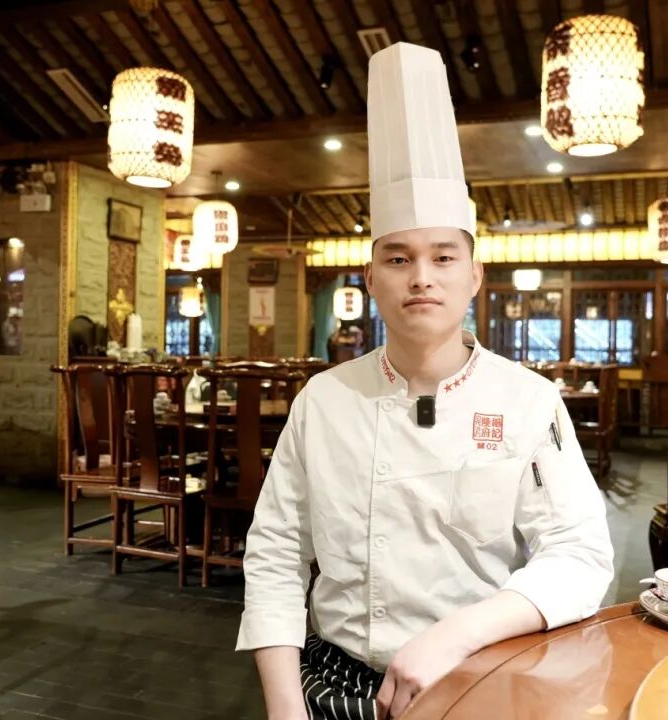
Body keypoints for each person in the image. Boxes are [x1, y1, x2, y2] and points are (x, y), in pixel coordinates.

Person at [237, 42, 613, 720]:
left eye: (443, 257)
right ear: (370, 278)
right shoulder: (323, 400)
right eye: (398, 258)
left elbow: (580, 555)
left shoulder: (528, 399)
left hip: (479, 676)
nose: (421, 278)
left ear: (473, 277)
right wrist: (286, 709)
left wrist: (457, 634)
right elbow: (276, 552)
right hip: (332, 682)